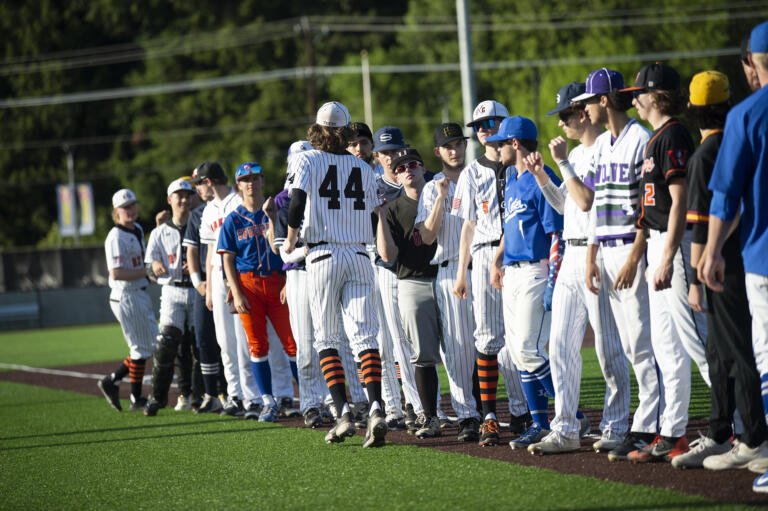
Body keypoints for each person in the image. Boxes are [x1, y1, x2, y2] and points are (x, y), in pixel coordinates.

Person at [526, 83, 629, 455]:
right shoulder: (578, 153)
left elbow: (587, 204)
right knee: (559, 347)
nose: (562, 124)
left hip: (597, 253)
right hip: (571, 254)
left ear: (582, 113)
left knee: (607, 347)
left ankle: (617, 425)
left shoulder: (601, 149)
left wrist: (563, 163)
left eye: (566, 116)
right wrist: (542, 176)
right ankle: (566, 428)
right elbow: (565, 205)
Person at [671, 70, 767, 469]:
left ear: (691, 109)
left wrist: (694, 280)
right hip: (747, 258)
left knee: (737, 352)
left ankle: (750, 439)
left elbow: (700, 223)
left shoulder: (705, 154)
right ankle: (723, 432)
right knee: (722, 352)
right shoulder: (738, 137)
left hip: (721, 266)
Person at [618, 62, 710, 462]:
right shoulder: (659, 136)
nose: (634, 100)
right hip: (659, 244)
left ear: (657, 96)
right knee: (667, 347)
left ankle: (744, 427)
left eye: (639, 93)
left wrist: (668, 256)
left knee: (700, 342)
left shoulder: (673, 134)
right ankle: (672, 432)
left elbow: (681, 198)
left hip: (675, 245)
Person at [285, 101, 387, 448]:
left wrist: (290, 237)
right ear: (344, 132)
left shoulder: (307, 158)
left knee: (327, 339)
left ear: (318, 128)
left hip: (324, 253)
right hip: (360, 253)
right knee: (365, 338)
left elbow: (295, 201)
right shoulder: (362, 167)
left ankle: (343, 413)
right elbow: (374, 218)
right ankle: (374, 406)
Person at [572, 68, 661, 461]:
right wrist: (591, 256)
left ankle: (651, 426)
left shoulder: (639, 140)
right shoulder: (606, 143)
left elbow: (648, 205)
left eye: (588, 101)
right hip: (605, 249)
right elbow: (597, 204)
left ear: (604, 100)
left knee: (642, 343)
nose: (584, 109)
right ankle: (647, 423)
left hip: (629, 249)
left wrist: (634, 255)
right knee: (628, 344)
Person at [700, 22, 768, 491]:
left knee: (766, 357)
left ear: (750, 65)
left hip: (763, 258)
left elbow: (725, 196)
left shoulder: (748, 113)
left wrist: (711, 251)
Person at [268, 140, 369, 428]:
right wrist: (309, 250)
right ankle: (312, 402)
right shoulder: (284, 199)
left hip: (330, 267)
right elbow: (283, 250)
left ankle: (354, 400)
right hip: (300, 272)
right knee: (307, 341)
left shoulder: (328, 191)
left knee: (345, 338)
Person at [451, 100, 529, 446]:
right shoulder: (471, 172)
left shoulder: (517, 164)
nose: (482, 130)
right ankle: (489, 416)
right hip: (484, 253)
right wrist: (461, 271)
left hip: (519, 251)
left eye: (489, 123)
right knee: (487, 337)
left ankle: (521, 411)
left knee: (520, 338)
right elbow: (468, 225)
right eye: (479, 126)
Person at [484, 116, 564, 450]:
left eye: (500, 143)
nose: (496, 147)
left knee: (528, 350)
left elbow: (557, 230)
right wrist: (498, 258)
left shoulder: (539, 177)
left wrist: (552, 280)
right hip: (514, 271)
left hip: (536, 269)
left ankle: (569, 411)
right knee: (518, 355)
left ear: (515, 144)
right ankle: (540, 424)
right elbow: (510, 226)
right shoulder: (512, 180)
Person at [415, 123, 483, 441]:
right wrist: (441, 199)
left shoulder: (480, 176)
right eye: (449, 145)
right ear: (438, 152)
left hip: (482, 267)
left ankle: (499, 411)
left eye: (459, 143)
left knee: (492, 342)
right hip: (448, 268)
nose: (455, 150)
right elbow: (427, 236)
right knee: (457, 348)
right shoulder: (431, 188)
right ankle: (467, 415)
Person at [218, 162, 299, 422]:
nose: (251, 183)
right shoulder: (233, 219)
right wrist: (236, 291)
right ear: (238, 185)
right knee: (257, 345)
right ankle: (267, 401)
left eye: (255, 178)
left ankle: (310, 398)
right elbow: (227, 259)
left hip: (278, 282)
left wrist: (289, 279)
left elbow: (286, 248)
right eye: (245, 179)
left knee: (293, 343)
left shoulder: (276, 210)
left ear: (263, 180)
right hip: (249, 284)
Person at [377, 148, 445, 438]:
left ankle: (474, 416)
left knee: (461, 351)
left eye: (413, 164)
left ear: (422, 168)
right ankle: (429, 416)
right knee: (422, 355)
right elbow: (388, 255)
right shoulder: (393, 209)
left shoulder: (442, 196)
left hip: (445, 276)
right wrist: (379, 216)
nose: (407, 170)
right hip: (412, 282)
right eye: (401, 168)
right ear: (396, 175)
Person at [371, 125, 425, 432]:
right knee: (397, 343)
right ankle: (414, 406)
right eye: (386, 152)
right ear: (377, 156)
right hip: (389, 270)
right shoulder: (371, 187)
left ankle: (425, 404)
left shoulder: (416, 179)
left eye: (396, 151)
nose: (391, 157)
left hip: (423, 269)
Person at [97, 189, 156, 412]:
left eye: (132, 205)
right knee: (143, 347)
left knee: (144, 346)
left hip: (137, 292)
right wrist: (147, 272)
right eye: (125, 207)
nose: (130, 210)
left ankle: (113, 381)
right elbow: (116, 273)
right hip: (126, 294)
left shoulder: (138, 229)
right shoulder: (115, 236)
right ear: (116, 212)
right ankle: (135, 397)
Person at [143, 178, 197, 416]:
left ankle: (202, 396)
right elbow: (147, 266)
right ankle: (157, 398)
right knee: (166, 343)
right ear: (169, 199)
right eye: (179, 195)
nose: (183, 199)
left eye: (187, 195)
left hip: (198, 289)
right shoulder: (159, 232)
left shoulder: (200, 223)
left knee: (200, 344)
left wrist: (197, 268)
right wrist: (154, 265)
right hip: (173, 291)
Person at [184, 162, 226, 413]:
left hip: (232, 280)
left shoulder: (233, 203)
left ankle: (231, 393)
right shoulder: (198, 213)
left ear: (208, 181)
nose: (197, 189)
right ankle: (211, 394)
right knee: (204, 339)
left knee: (234, 341)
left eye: (198, 183)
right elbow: (191, 250)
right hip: (206, 283)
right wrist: (198, 282)